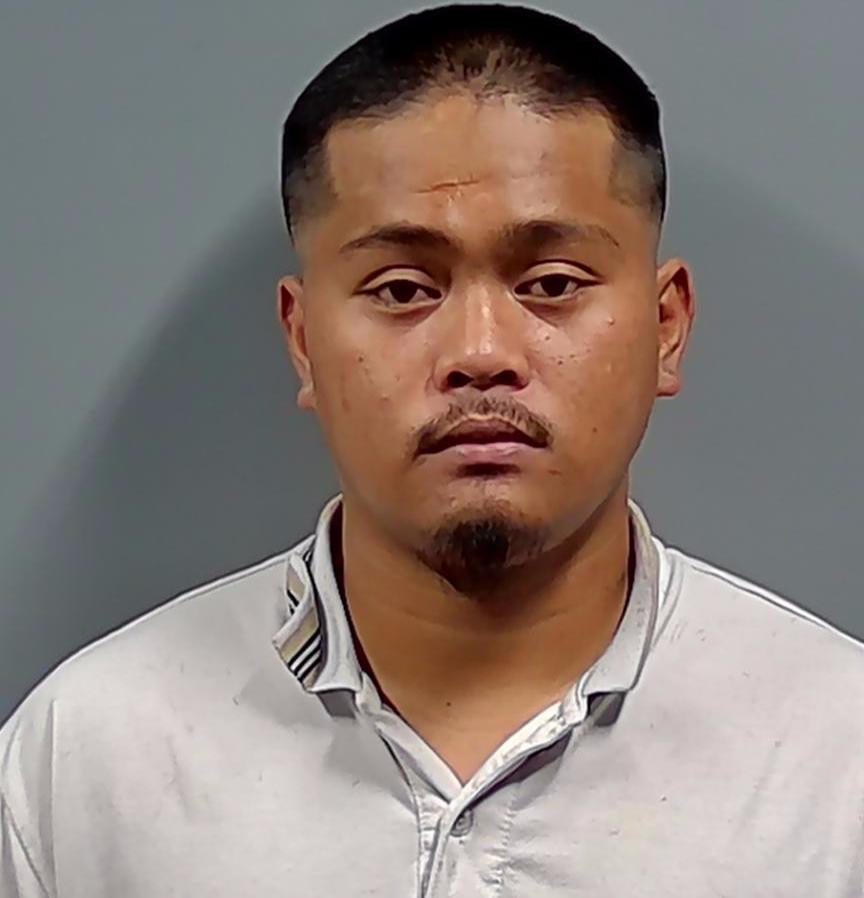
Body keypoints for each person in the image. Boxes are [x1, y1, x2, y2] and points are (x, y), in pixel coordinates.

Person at [2, 4, 863, 895]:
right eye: (403, 289)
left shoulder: (836, 767)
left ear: (666, 328)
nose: (480, 352)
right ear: (303, 342)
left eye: (552, 283)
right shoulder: (86, 766)